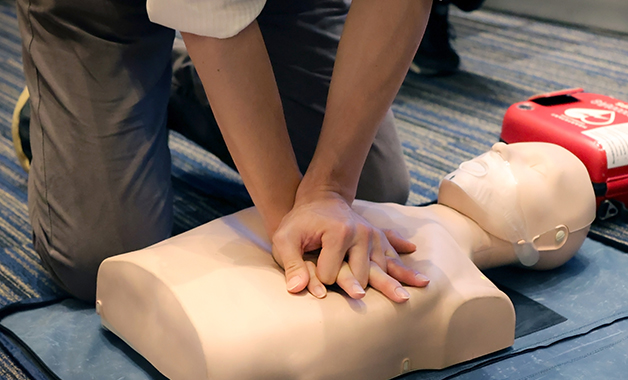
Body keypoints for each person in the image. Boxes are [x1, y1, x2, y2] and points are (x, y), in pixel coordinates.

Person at [11, 0, 433, 302]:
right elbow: (207, 12)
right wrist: (294, 223)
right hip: (95, 10)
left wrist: (330, 191)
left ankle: (179, 88)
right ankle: (64, 110)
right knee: (102, 260)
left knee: (374, 191)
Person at [96, 142, 597, 379]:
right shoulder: (376, 209)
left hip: (208, 350)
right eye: (508, 146)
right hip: (156, 292)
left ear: (549, 238)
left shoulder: (476, 299)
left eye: (525, 164)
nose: (498, 147)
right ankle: (194, 88)